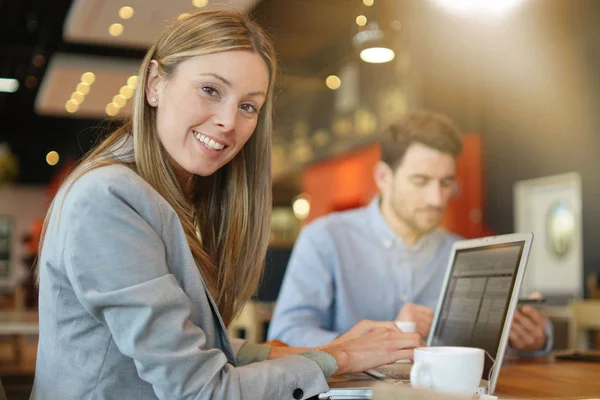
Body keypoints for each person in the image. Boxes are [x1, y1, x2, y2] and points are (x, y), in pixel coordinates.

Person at [30, 10, 421, 400]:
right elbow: (202, 390)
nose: (228, 122)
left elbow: (195, 348)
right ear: (154, 84)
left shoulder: (168, 197)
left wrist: (331, 353)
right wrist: (340, 356)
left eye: (248, 106)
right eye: (210, 90)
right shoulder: (109, 199)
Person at [268, 111, 552, 355]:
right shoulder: (326, 238)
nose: (436, 199)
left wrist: (534, 339)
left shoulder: (460, 251)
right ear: (383, 177)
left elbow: (489, 346)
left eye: (446, 183)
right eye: (421, 181)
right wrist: (384, 337)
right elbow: (286, 334)